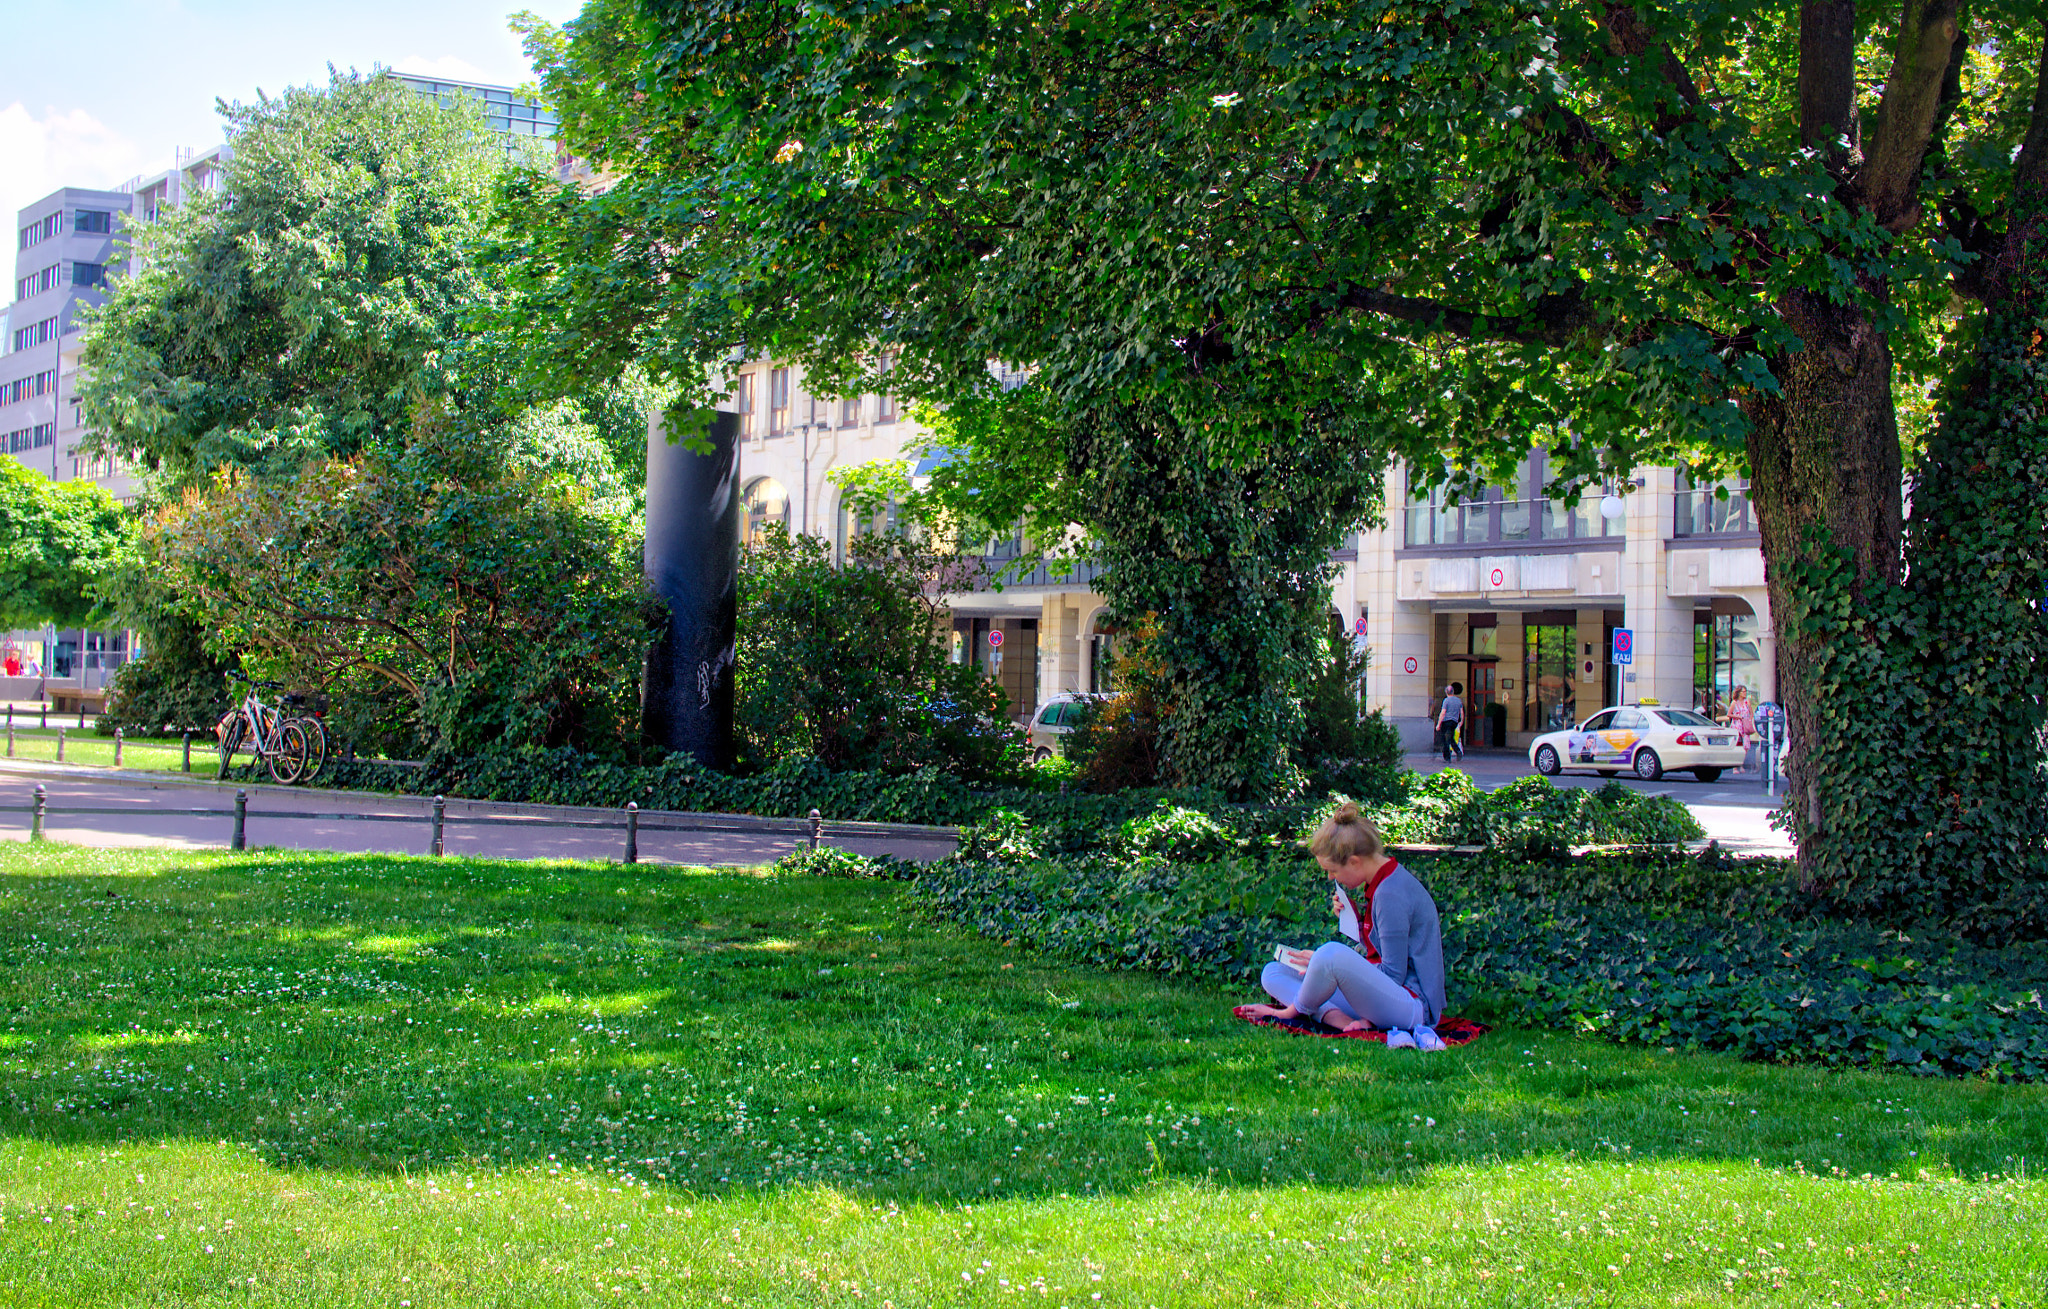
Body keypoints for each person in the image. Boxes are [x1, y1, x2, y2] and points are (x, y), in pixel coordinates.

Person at [1242, 803, 1449, 1051]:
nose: (1331, 878)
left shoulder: (1390, 894)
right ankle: (1340, 1020)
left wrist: (1328, 967)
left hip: (1412, 1007)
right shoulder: (1382, 883)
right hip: (1388, 998)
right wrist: (1355, 923)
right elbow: (1380, 953)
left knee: (1329, 954)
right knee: (1274, 972)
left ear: (1354, 862)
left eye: (1333, 871)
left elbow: (1394, 976)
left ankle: (1293, 1012)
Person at [1727, 685, 1756, 774]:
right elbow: (1729, 714)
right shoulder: (1734, 703)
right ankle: (1735, 767)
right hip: (1737, 725)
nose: (1745, 693)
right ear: (1739, 693)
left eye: (1745, 691)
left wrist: (1750, 720)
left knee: (1746, 746)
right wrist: (1737, 716)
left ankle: (1741, 763)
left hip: (1745, 725)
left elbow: (1751, 713)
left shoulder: (1747, 702)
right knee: (1737, 745)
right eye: (1743, 692)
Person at [1434, 681, 1465, 762]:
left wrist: (1438, 724)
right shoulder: (1458, 701)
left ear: (1446, 692)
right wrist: (1461, 721)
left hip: (1446, 722)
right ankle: (1458, 752)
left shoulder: (1446, 701)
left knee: (1445, 740)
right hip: (1454, 722)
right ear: (1453, 692)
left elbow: (1443, 713)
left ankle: (1448, 757)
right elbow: (1461, 712)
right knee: (1450, 738)